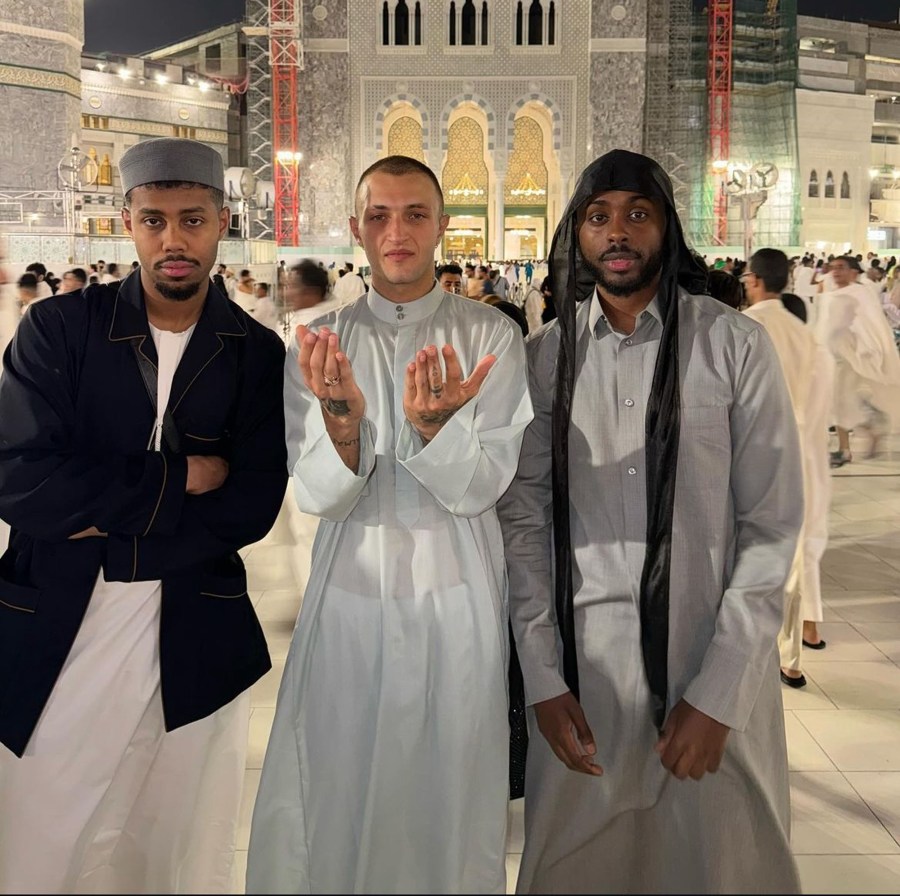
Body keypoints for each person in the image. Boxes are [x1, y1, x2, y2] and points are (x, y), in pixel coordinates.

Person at [498, 149, 803, 894]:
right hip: (586, 681)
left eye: (638, 213)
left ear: (667, 228)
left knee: (718, 867)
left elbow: (771, 526)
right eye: (598, 217)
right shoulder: (544, 359)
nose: (618, 232)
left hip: (710, 668)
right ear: (575, 235)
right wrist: (542, 678)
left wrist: (720, 691)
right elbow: (524, 523)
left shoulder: (732, 346)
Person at [0, 137, 288, 894]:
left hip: (194, 635)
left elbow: (250, 506)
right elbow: (21, 481)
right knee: (38, 839)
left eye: (192, 220)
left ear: (222, 223)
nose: (173, 241)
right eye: (154, 220)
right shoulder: (59, 329)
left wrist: (98, 510)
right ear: (127, 222)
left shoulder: (254, 352)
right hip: (59, 622)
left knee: (172, 850)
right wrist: (180, 478)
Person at [247, 154, 532, 894]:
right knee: (339, 774)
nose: (396, 231)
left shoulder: (491, 337)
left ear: (442, 226)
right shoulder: (319, 343)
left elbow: (485, 485)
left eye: (414, 214)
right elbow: (317, 492)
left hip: (458, 587)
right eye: (379, 215)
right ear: (357, 227)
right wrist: (344, 426)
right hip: (351, 588)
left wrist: (435, 432)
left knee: (450, 783)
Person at [742, 248, 834, 683]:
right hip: (800, 456)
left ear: (755, 280)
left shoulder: (742, 328)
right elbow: (819, 408)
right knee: (795, 555)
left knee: (747, 553)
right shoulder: (806, 336)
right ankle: (791, 657)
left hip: (753, 456)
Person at [816, 255, 900, 465]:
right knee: (839, 402)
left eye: (841, 267)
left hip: (855, 358)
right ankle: (855, 440)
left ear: (854, 272)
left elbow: (871, 325)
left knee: (845, 401)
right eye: (833, 267)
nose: (836, 272)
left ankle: (858, 438)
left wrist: (867, 349)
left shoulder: (861, 294)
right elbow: (825, 328)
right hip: (834, 358)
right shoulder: (831, 295)